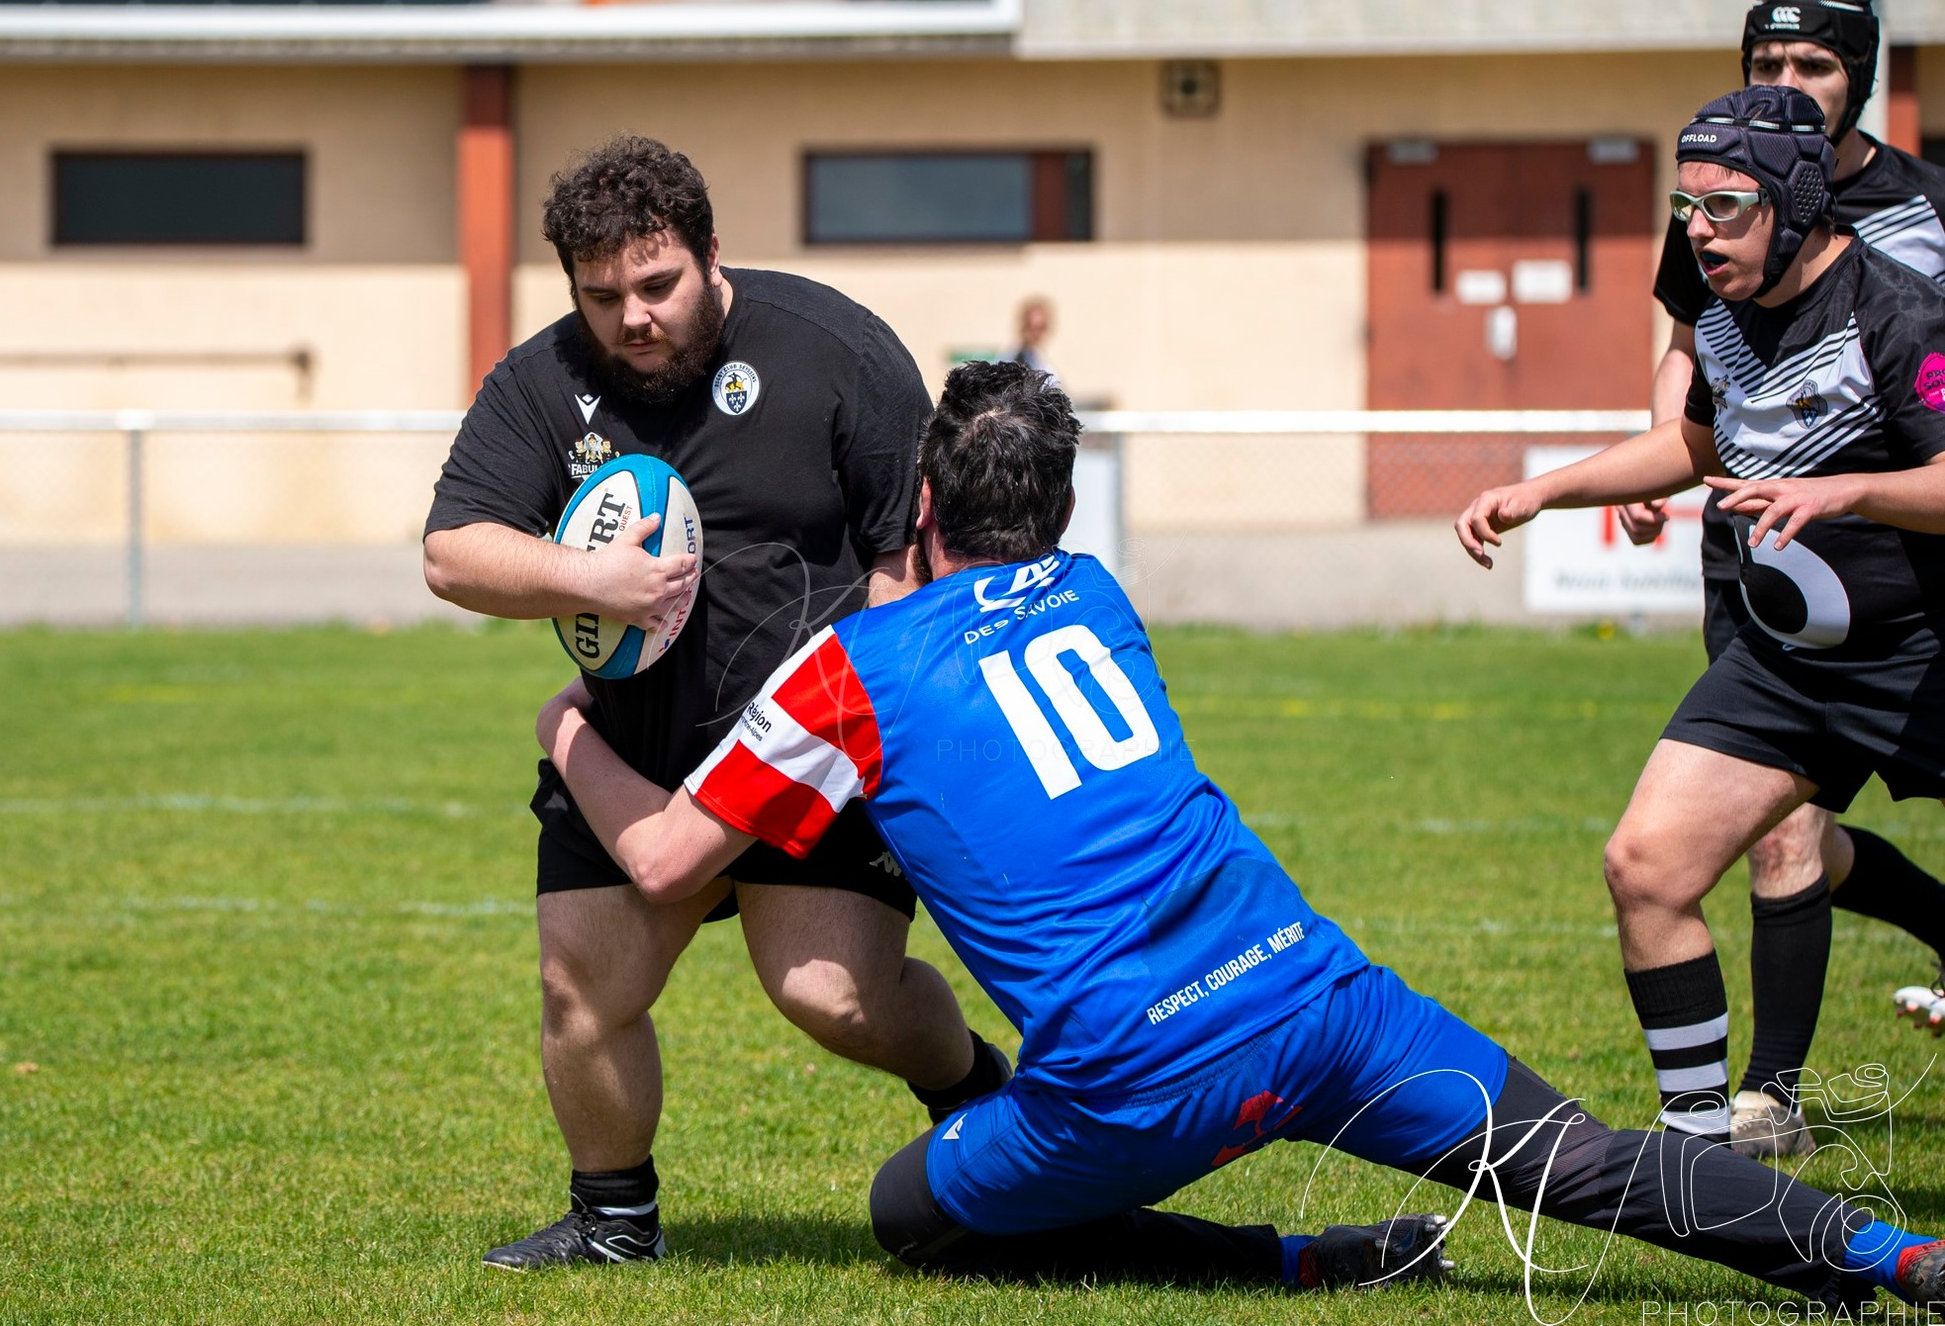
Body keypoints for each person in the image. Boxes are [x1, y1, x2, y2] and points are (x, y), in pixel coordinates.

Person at [534, 360, 1945, 1309]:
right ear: (1066, 512)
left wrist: (573, 729)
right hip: (1314, 994)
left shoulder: (849, 676)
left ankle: (1296, 1259)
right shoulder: (1098, 592)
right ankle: (1886, 1252)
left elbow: (662, 858)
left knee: (916, 1210)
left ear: (918, 505)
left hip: (1134, 1079)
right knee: (1577, 1157)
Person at [422, 135, 1006, 1270]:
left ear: (708, 256)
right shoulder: (542, 382)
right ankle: (612, 1221)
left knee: (835, 998)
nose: (632, 316)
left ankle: (978, 1095)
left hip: (813, 757)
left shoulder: (834, 348)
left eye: (656, 285)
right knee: (579, 989)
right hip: (637, 750)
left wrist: (864, 722)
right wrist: (584, 579)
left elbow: (904, 560)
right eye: (603, 296)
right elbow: (451, 555)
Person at [1457, 87, 1945, 1166]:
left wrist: (1849, 492)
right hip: (1786, 670)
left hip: (1922, 661)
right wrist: (1546, 490)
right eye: (1685, 205)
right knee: (1646, 866)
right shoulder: (1719, 310)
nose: (1695, 229)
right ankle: (1695, 1163)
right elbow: (1690, 441)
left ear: (1794, 203)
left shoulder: (1896, 313)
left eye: (1723, 207)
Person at [1614, 0, 1945, 1157]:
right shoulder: (1715, 190)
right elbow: (1686, 351)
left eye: (1813, 67)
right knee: (1763, 824)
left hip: (1909, 576)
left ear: (1861, 71)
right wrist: (1667, 472)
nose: (1789, 87)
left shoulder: (1920, 218)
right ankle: (1768, 1106)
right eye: (1769, 65)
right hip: (1769, 565)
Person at [1006, 296, 1054, 378]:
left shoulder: (1037, 356)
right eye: (1034, 328)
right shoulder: (1018, 359)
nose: (1037, 334)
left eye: (1041, 328)